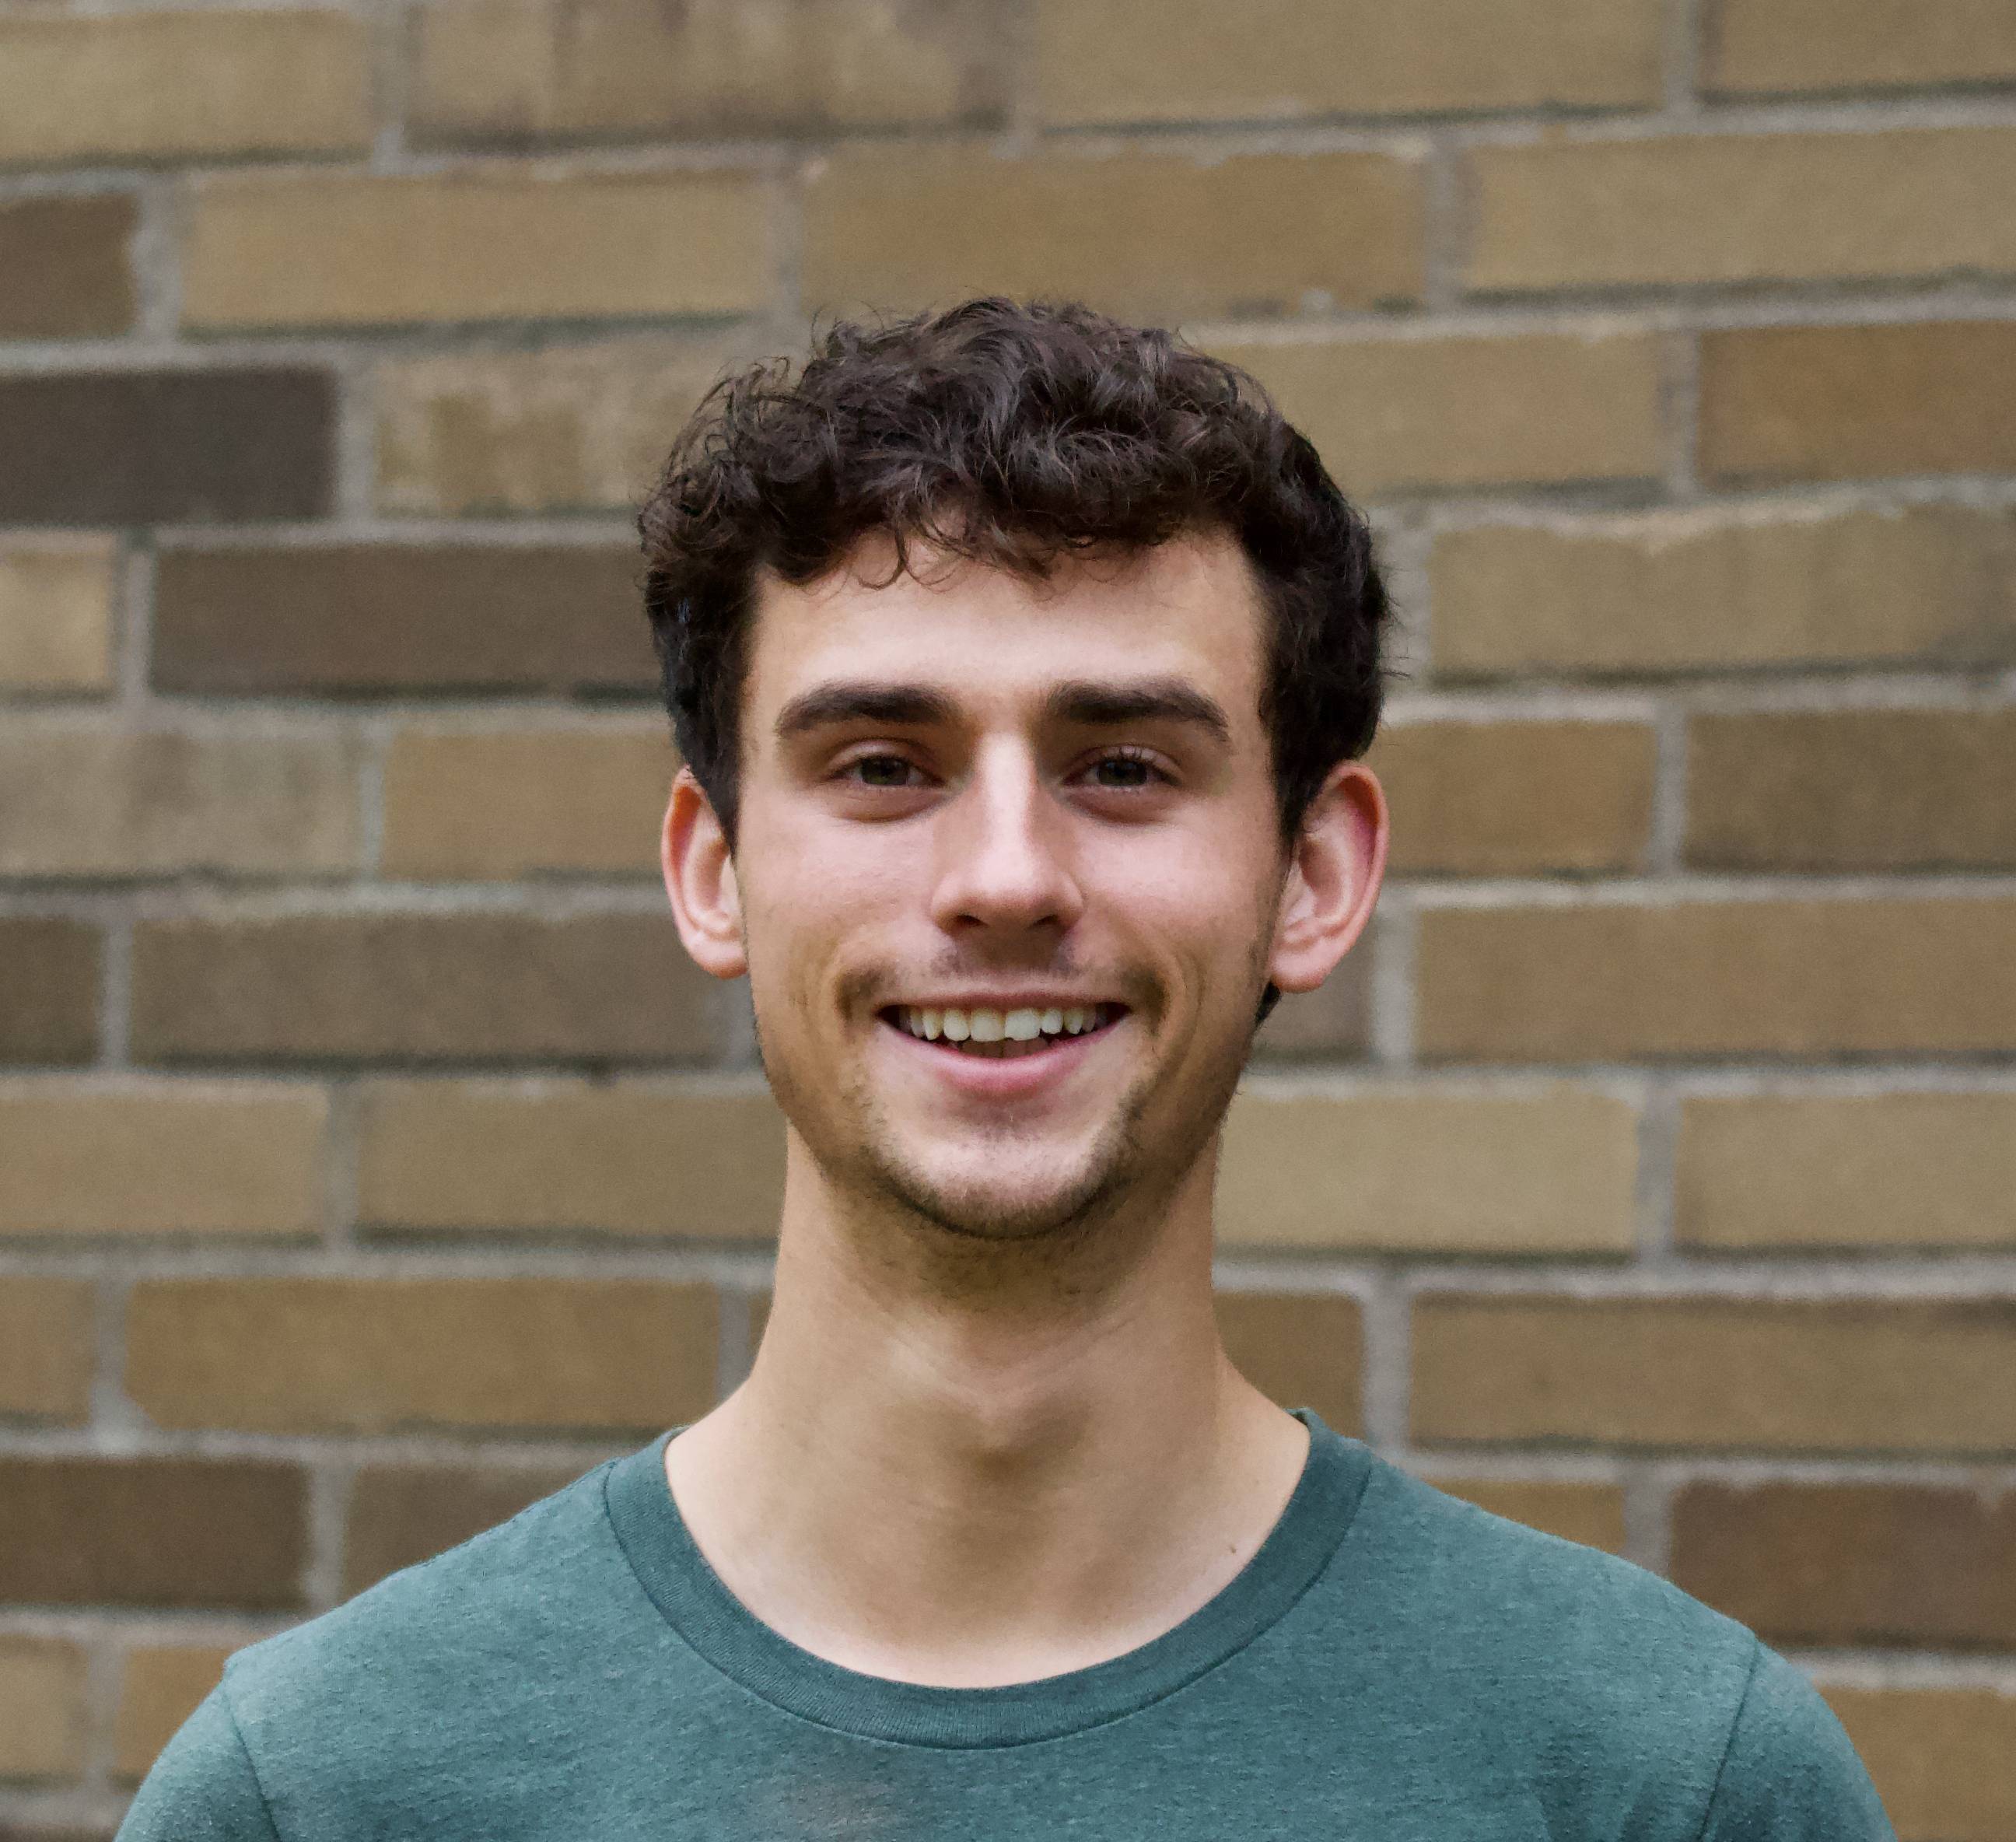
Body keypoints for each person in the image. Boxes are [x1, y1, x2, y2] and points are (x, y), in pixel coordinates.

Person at [120, 298, 1895, 1840]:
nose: (1004, 876)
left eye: (1123, 763)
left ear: (1314, 873)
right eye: (882, 762)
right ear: (713, 868)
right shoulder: (331, 1792)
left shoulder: (1662, 1783)